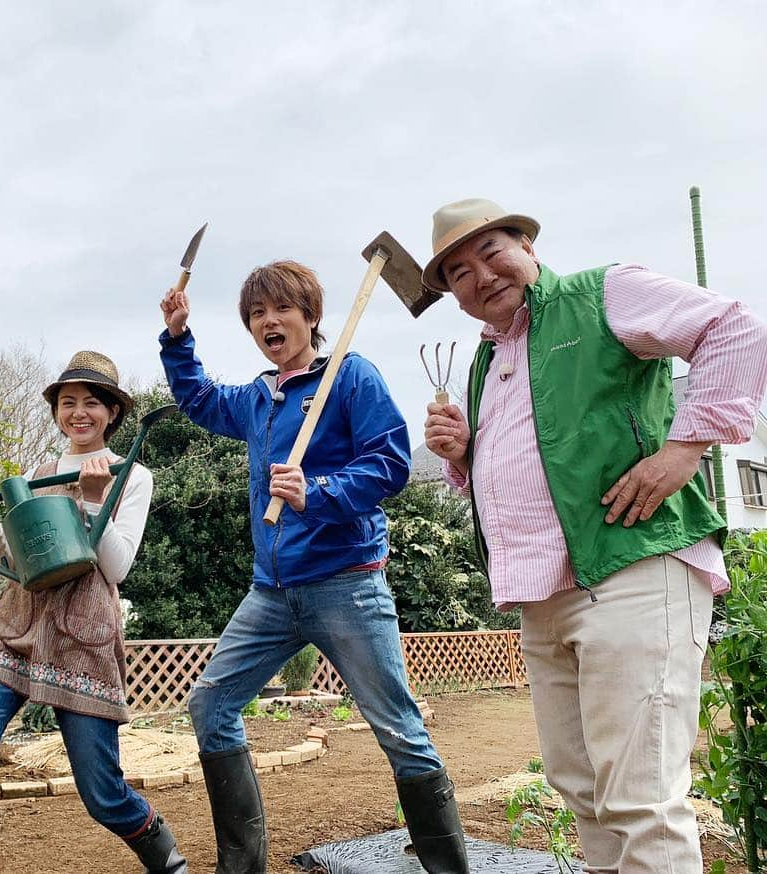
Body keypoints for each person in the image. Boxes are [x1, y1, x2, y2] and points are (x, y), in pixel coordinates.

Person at [421, 198, 767, 873]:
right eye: (458, 272)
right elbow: (537, 456)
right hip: (543, 593)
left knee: (640, 800)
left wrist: (684, 448)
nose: (480, 276)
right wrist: (464, 454)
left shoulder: (601, 293)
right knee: (585, 794)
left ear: (527, 245)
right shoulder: (487, 361)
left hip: (631, 568)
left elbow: (736, 326)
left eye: (491, 252)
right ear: (455, 297)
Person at [159, 262, 469, 874]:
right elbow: (198, 399)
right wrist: (177, 339)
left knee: (399, 729)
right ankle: (241, 867)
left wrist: (317, 490)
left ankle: (447, 868)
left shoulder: (350, 378)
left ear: (311, 317)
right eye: (256, 314)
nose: (268, 322)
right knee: (212, 706)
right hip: (271, 592)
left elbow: (391, 465)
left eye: (281, 310)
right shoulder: (258, 398)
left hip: (346, 584)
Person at [0, 351, 186, 874]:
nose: (79, 412)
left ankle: (168, 860)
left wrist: (97, 502)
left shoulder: (132, 475)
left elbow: (116, 570)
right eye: (67, 402)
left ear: (112, 413)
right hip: (15, 631)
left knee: (102, 794)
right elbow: (14, 564)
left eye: (91, 403)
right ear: (56, 411)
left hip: (84, 641)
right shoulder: (40, 472)